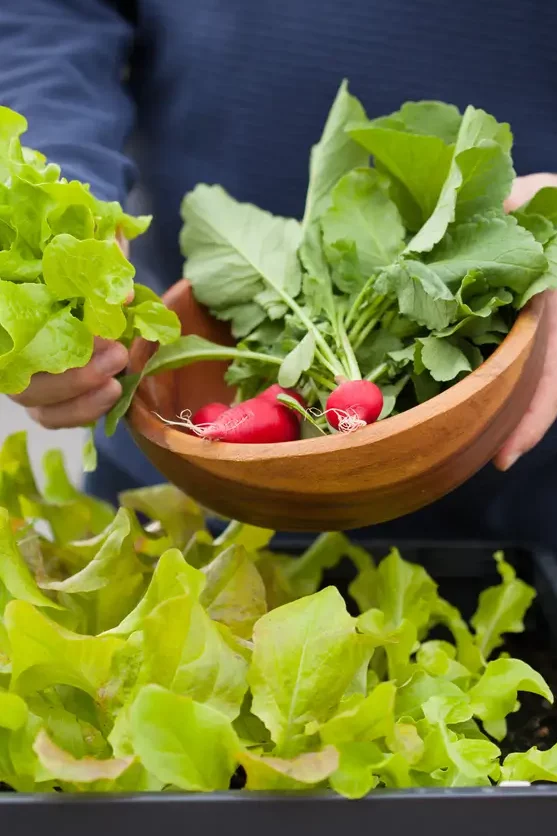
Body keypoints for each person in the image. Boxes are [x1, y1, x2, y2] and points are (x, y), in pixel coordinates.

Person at [3, 0, 557, 548]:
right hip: (182, 488)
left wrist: (545, 227)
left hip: (523, 476)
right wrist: (62, 211)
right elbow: (48, 13)